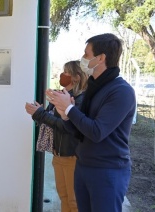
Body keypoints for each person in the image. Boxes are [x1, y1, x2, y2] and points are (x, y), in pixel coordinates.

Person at [46, 33, 136, 212]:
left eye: (86, 54)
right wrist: (65, 113)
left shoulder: (121, 91)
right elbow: (80, 129)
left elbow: (97, 131)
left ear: (101, 58)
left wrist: (70, 110)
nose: (83, 59)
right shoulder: (95, 88)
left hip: (107, 171)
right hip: (84, 165)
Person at [25, 60, 88, 212]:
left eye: (66, 72)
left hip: (72, 156)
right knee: (64, 197)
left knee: (74, 201)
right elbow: (50, 121)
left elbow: (67, 126)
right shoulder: (60, 95)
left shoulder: (81, 100)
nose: (62, 75)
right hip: (58, 155)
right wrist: (38, 112)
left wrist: (41, 114)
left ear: (76, 77)